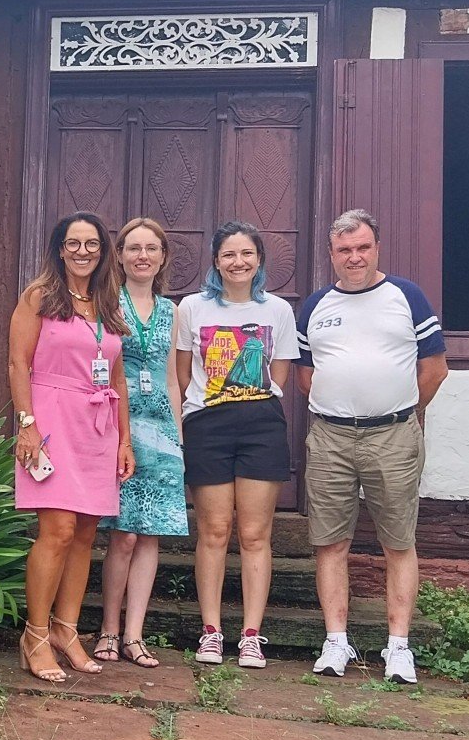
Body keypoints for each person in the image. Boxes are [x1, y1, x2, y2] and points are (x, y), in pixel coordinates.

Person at [297, 208, 450, 685]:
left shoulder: (407, 296)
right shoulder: (316, 305)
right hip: (330, 437)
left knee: (398, 541)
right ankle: (336, 642)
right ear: (331, 254)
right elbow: (306, 377)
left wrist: (400, 410)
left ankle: (398, 647)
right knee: (330, 541)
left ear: (376, 247)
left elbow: (435, 369)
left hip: (393, 435)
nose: (354, 257)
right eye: (344, 250)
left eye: (362, 247)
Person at [9, 211, 136, 683]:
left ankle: (67, 630)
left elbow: (117, 376)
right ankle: (35, 635)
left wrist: (125, 439)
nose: (83, 251)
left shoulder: (107, 302)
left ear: (103, 253)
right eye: (74, 243)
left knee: (85, 532)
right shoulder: (39, 296)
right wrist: (26, 426)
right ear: (60, 248)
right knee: (58, 530)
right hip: (51, 419)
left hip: (97, 427)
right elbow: (17, 364)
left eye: (93, 244)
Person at [171, 222, 298, 670]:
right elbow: (183, 373)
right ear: (215, 261)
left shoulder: (279, 311)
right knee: (214, 531)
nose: (238, 262)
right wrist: (193, 414)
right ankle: (211, 632)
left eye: (247, 254)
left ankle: (250, 635)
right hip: (208, 424)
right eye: (229, 254)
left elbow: (279, 374)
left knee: (254, 534)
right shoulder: (192, 308)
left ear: (259, 259)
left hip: (262, 425)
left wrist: (249, 401)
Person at [95, 217, 188, 669]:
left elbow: (171, 378)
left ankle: (133, 636)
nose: (143, 255)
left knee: (150, 535)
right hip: (120, 427)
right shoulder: (105, 302)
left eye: (152, 248)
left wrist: (179, 438)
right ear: (120, 255)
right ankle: (107, 630)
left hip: (161, 430)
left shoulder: (172, 311)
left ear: (163, 257)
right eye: (134, 248)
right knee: (123, 535)